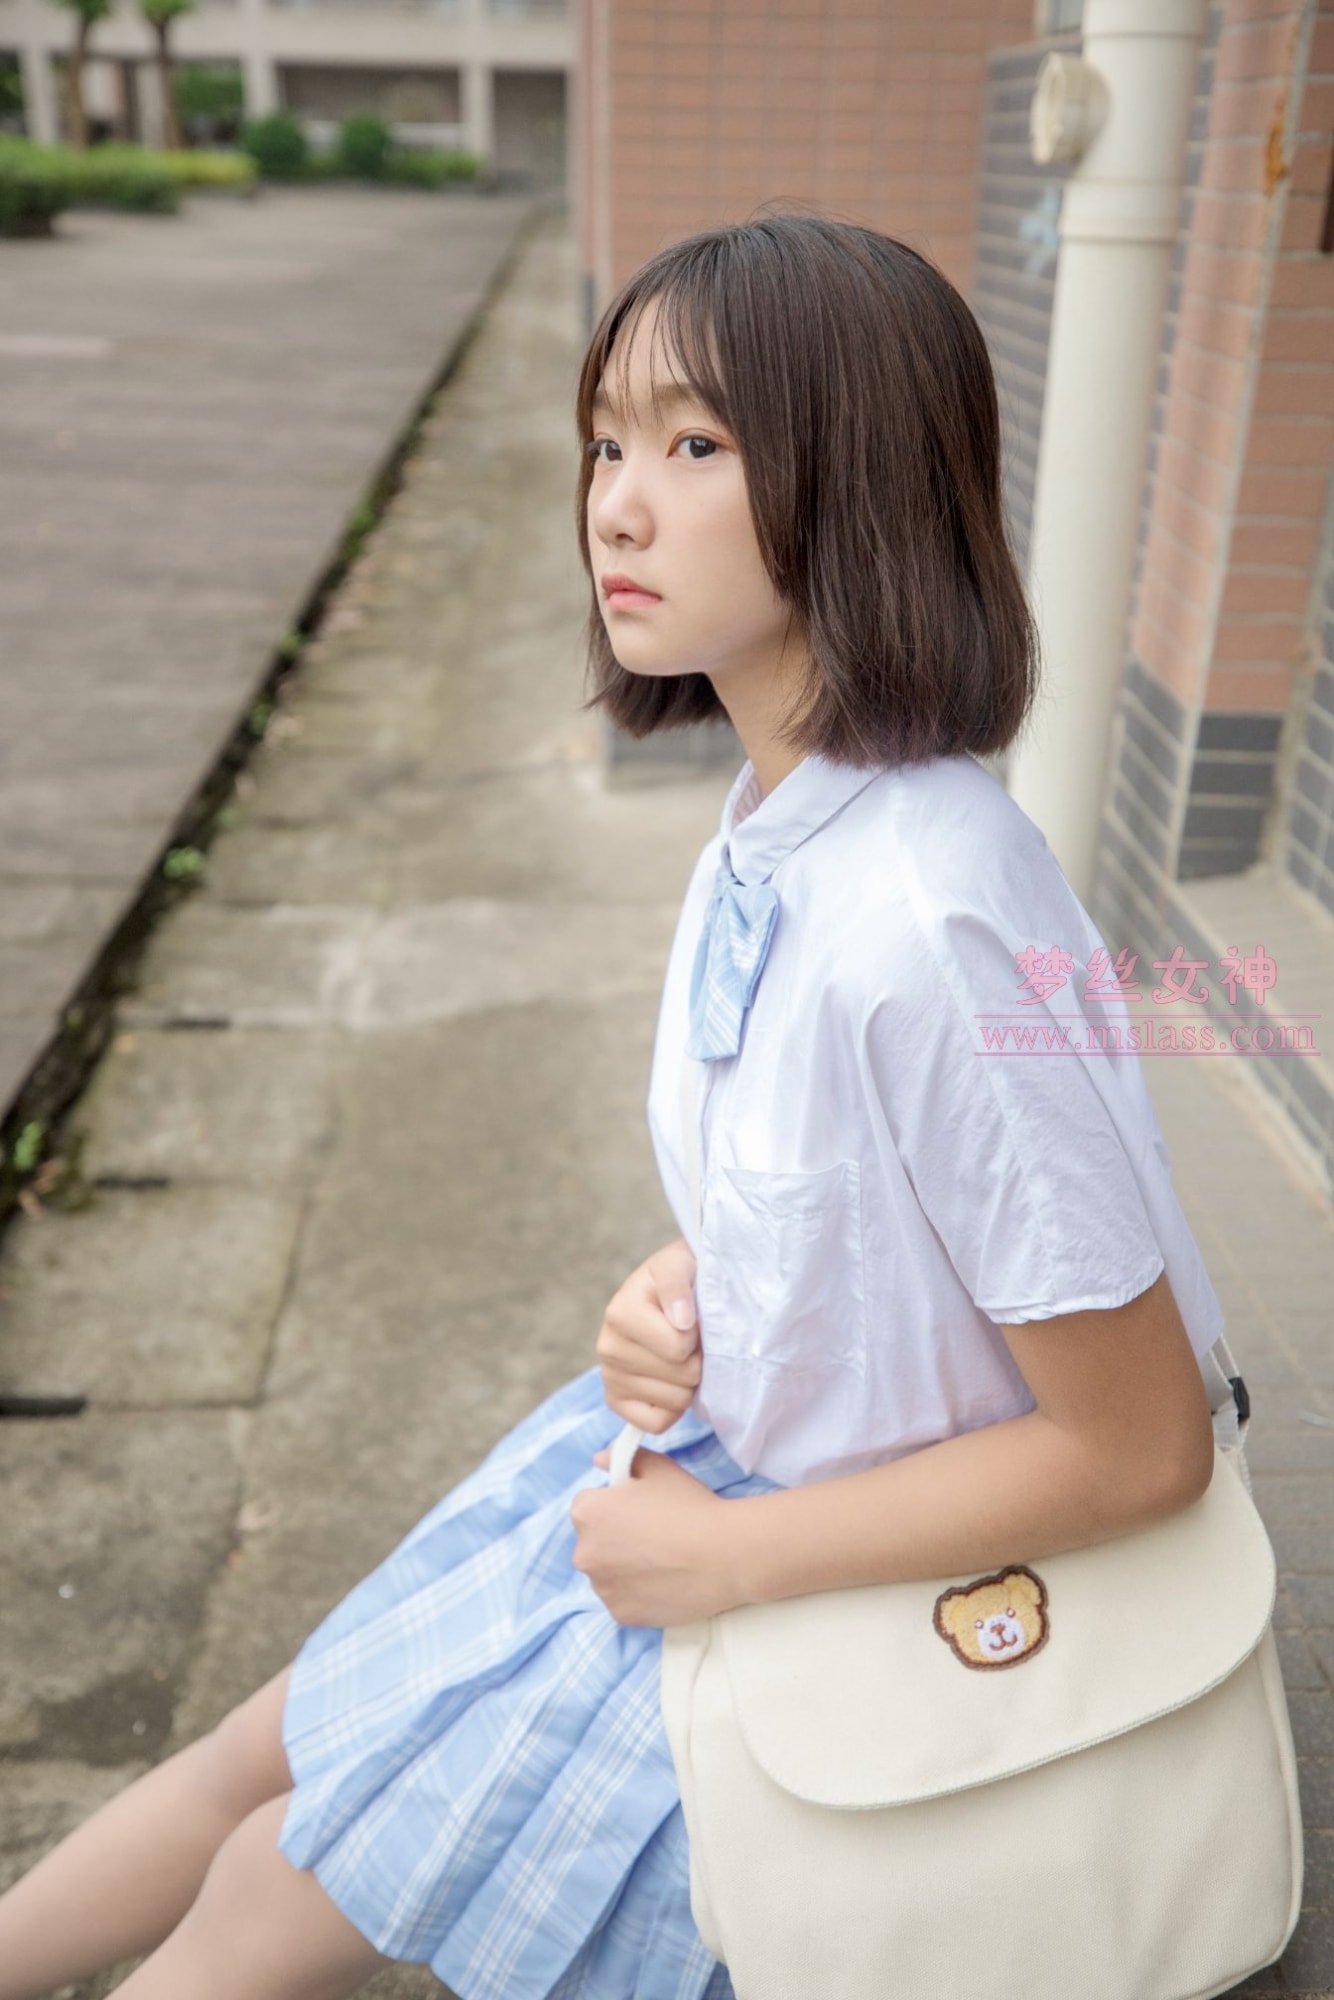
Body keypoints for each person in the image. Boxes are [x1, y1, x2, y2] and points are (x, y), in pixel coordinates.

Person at [0, 212, 1229, 2000]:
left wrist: (720, 1557)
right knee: (260, 1759)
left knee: (273, 1866)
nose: (617, 509)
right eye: (605, 443)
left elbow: (1140, 1445)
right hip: (708, 1467)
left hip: (822, 1571)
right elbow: (863, 1192)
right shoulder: (783, 820)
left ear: (861, 483)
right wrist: (691, 1280)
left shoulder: (925, 912)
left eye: (694, 444)